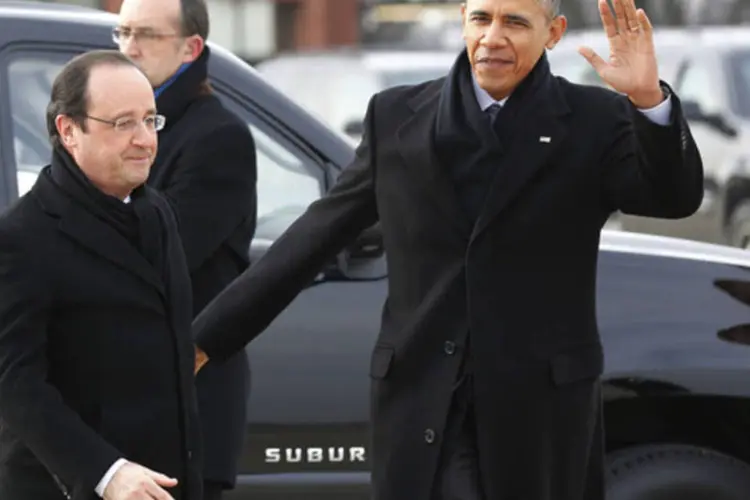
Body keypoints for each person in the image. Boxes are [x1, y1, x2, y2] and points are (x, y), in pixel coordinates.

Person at [192, 0, 704, 499]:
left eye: (515, 23)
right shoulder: (395, 115)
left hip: (539, 410)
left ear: (553, 33)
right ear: (463, 21)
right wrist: (206, 339)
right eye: (481, 18)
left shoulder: (594, 119)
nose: (493, 36)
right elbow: (314, 237)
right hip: (422, 399)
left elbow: (673, 199)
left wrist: (647, 102)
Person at [0, 50, 202, 500]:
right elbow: (14, 384)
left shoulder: (156, 211)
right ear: (69, 130)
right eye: (123, 123)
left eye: (151, 120)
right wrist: (105, 473)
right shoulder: (22, 237)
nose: (145, 140)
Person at [115, 1, 257, 498]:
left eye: (146, 36)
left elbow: (158, 253)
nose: (128, 48)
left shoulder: (218, 137)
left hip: (186, 403)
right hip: (117, 400)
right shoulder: (108, 129)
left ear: (190, 48)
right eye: (122, 32)